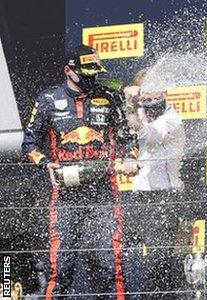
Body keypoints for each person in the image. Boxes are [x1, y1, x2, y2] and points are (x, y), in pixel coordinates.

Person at [22, 45, 139, 299]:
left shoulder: (110, 97)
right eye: (85, 74)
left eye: (95, 73)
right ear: (69, 71)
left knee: (110, 265)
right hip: (65, 196)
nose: (91, 79)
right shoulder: (47, 100)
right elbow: (29, 144)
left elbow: (130, 139)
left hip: (103, 194)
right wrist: (45, 163)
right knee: (60, 268)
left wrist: (130, 159)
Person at [122, 72, 187, 294]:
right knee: (128, 257)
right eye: (145, 94)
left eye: (154, 92)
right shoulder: (139, 112)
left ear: (164, 92)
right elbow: (127, 138)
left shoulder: (173, 119)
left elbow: (148, 135)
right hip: (139, 196)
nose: (149, 98)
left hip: (164, 197)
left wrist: (131, 107)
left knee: (161, 260)